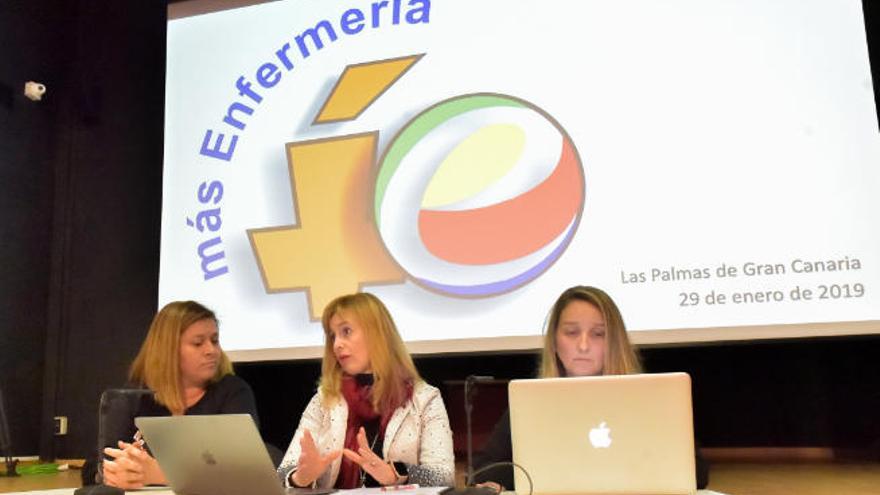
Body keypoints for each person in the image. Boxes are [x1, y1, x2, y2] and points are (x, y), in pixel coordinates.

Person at [472, 286, 709, 491]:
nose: (583, 345)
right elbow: (484, 471)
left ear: (614, 341)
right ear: (554, 341)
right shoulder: (531, 401)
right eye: (571, 332)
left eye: (598, 334)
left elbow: (696, 474)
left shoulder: (650, 398)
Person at [277, 292, 455, 489]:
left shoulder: (424, 399)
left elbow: (443, 477)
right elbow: (282, 474)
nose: (337, 344)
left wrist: (396, 472)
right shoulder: (324, 400)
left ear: (377, 334)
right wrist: (300, 477)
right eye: (332, 335)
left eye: (346, 331)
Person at [100, 300, 259, 489]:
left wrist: (161, 474)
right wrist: (116, 473)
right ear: (168, 349)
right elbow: (96, 465)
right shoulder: (135, 396)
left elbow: (245, 471)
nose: (211, 350)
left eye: (214, 340)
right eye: (198, 343)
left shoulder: (232, 392)